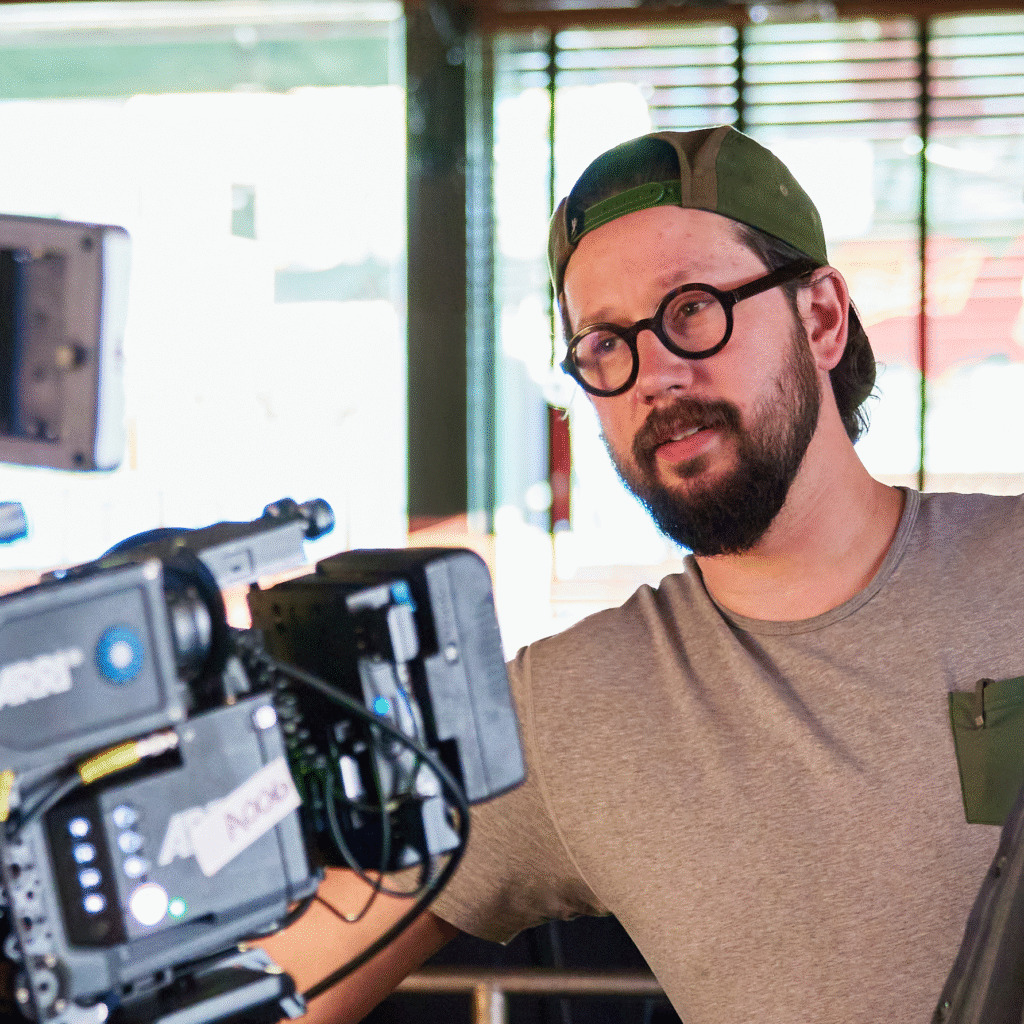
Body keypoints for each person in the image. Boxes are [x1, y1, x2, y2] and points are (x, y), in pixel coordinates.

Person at [260, 125, 1022, 1024]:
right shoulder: (566, 712)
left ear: (820, 318)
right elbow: (271, 989)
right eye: (605, 344)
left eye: (692, 308)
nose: (653, 374)